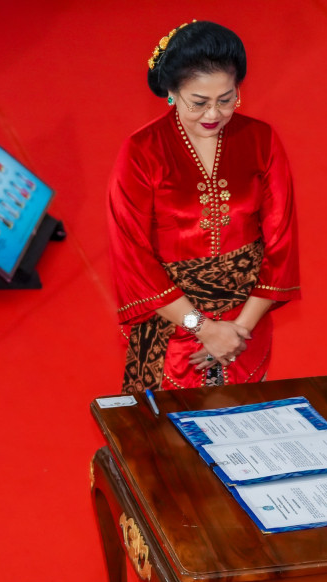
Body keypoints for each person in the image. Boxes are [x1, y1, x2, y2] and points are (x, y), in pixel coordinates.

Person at [108, 20, 300, 393]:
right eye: (199, 103)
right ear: (172, 93)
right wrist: (204, 328)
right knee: (165, 437)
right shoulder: (142, 151)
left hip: (245, 323)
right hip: (169, 320)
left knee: (241, 432)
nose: (213, 115)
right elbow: (131, 255)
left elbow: (281, 242)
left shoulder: (261, 140)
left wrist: (237, 331)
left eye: (226, 100)